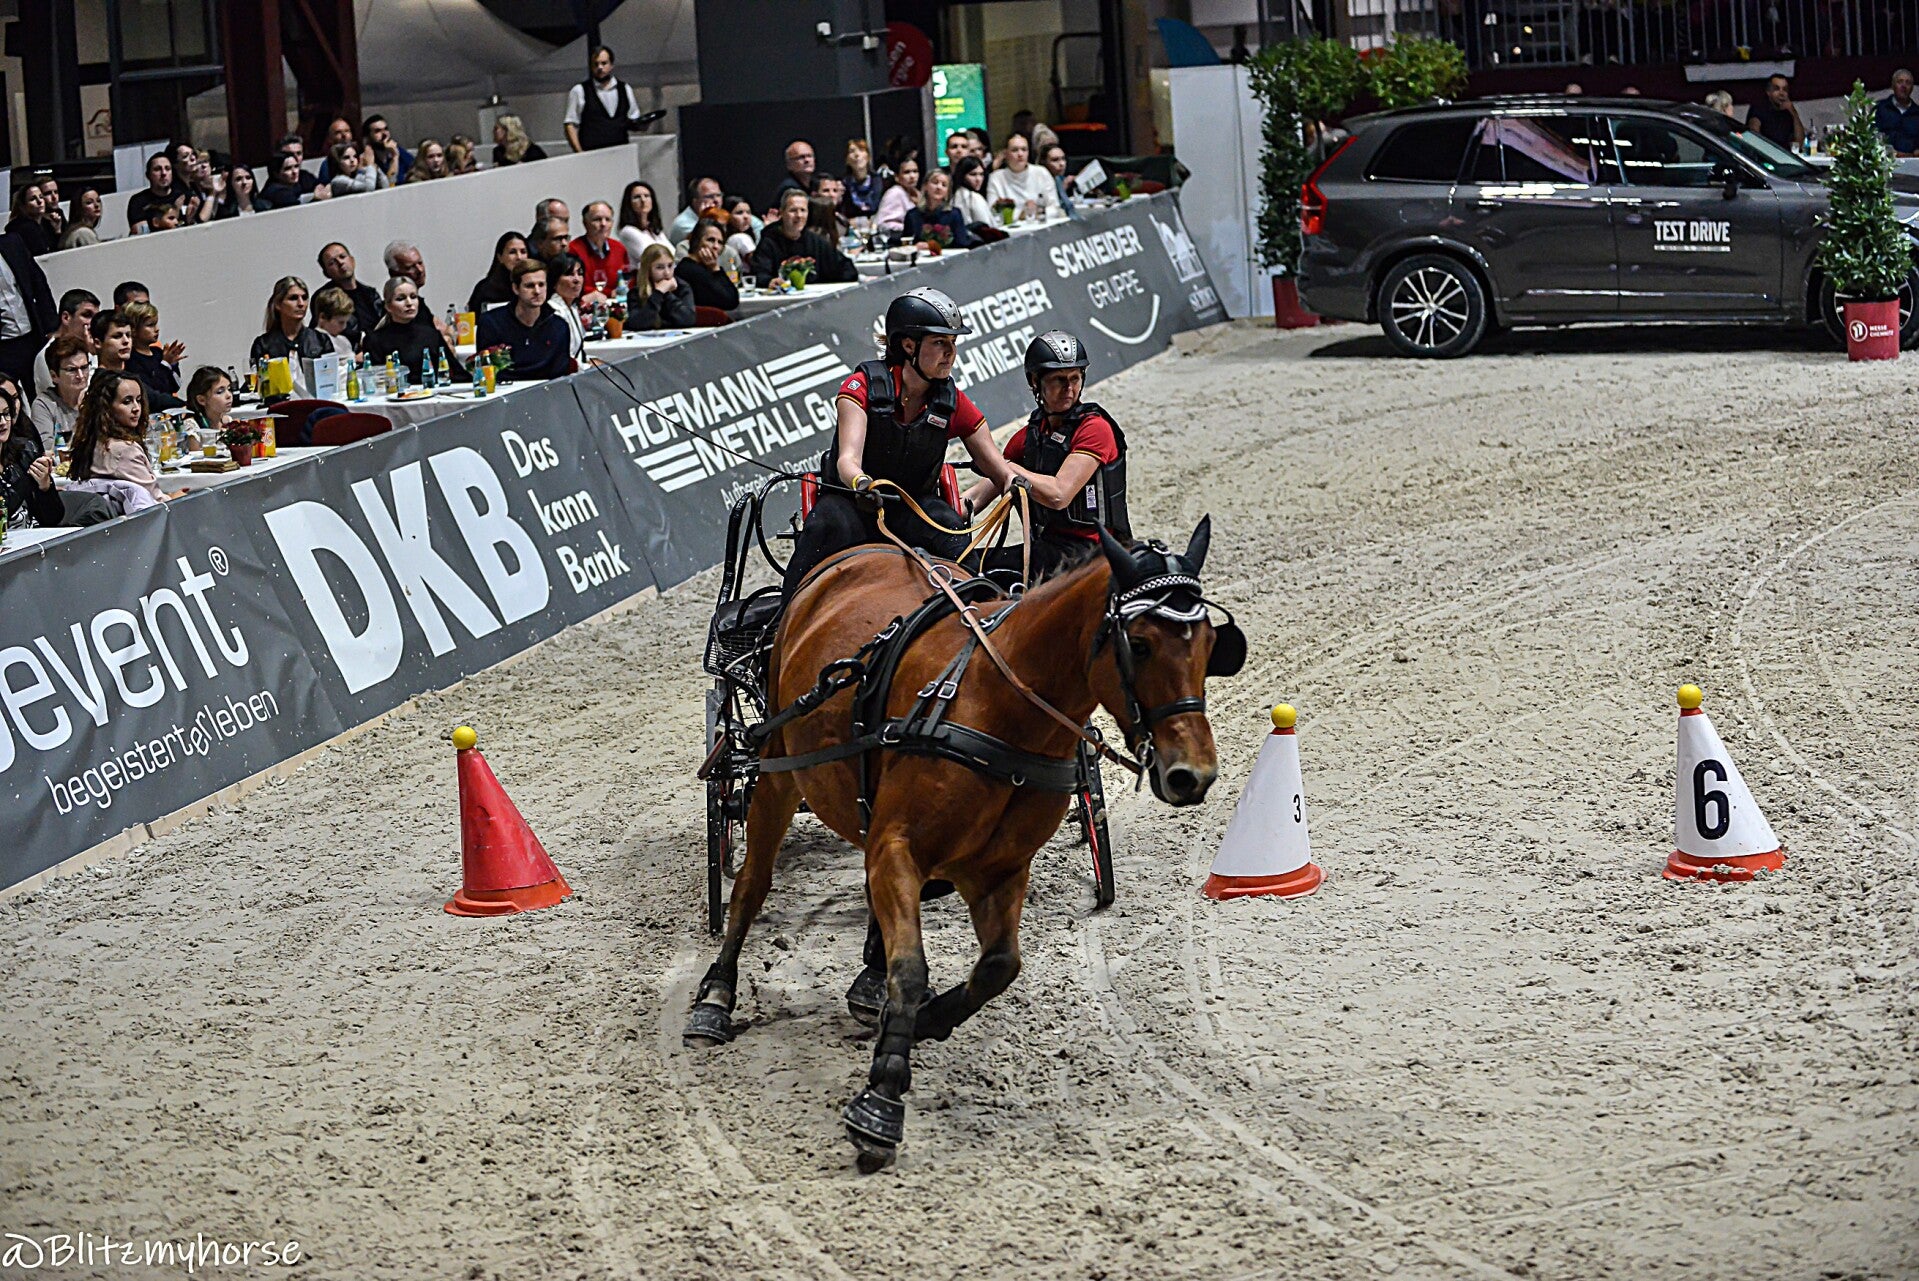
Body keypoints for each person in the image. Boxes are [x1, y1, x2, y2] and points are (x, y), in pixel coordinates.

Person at [780, 287, 1018, 597]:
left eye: (953, 342)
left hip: (915, 508)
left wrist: (1014, 482)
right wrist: (862, 483)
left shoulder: (953, 402)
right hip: (852, 504)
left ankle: (978, 612)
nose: (951, 352)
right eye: (939, 342)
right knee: (822, 530)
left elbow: (997, 468)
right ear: (908, 345)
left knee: (956, 540)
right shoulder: (861, 387)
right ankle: (783, 618)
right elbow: (847, 460)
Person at [965, 331, 1128, 581]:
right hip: (1049, 549)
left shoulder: (1095, 429)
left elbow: (1059, 494)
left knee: (977, 573)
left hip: (1093, 555)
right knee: (965, 564)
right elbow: (978, 496)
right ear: (1034, 381)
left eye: (1075, 378)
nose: (1069, 388)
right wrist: (948, 514)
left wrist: (1007, 467)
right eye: (1059, 379)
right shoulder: (1028, 438)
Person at [474, 260, 571, 380]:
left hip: (546, 388)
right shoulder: (491, 323)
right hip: (506, 388)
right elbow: (488, 369)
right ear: (515, 288)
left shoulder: (559, 326)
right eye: (529, 286)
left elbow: (560, 372)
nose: (537, 291)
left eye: (541, 285)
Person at [362, 276, 466, 383]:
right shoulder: (374, 340)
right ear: (388, 306)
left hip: (431, 392)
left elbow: (457, 373)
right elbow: (374, 380)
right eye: (400, 299)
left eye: (413, 297)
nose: (409, 303)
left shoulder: (431, 335)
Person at [749, 189, 859, 286]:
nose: (799, 215)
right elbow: (759, 274)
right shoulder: (769, 241)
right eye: (793, 210)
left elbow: (846, 268)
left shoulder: (816, 241)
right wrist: (769, 281)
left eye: (803, 210)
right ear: (781, 213)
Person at [249, 277, 335, 391]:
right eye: (293, 298)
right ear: (278, 304)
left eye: (304, 298)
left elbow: (330, 380)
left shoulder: (320, 340)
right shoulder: (263, 344)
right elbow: (259, 386)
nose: (301, 303)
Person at [0, 377, 64, 528]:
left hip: (34, 536)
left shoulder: (25, 451)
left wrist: (45, 487)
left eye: (6, 414)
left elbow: (53, 518)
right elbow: (6, 508)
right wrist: (25, 482)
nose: (2, 422)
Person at [0, 228, 56, 398]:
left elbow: (38, 282)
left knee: (43, 389)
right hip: (4, 345)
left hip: (33, 335)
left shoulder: (12, 243)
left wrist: (52, 327)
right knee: (10, 398)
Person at [565, 45, 643, 152]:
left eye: (604, 63)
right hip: (592, 155)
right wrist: (580, 154)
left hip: (621, 154)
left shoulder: (625, 89)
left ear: (611, 65)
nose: (600, 67)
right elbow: (570, 124)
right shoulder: (580, 90)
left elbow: (634, 119)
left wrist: (643, 125)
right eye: (596, 64)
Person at [32, 289, 97, 402]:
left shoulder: (91, 346)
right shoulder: (45, 355)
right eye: (87, 315)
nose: (92, 323)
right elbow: (70, 398)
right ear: (66, 317)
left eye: (95, 318)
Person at [121, 301, 185, 407]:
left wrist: (172, 365)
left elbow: (175, 387)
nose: (157, 329)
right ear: (134, 330)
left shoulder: (158, 352)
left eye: (156, 324)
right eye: (150, 325)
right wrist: (165, 364)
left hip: (169, 409)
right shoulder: (132, 359)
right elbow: (155, 390)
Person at [31, 335, 90, 450]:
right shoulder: (44, 405)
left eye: (84, 367)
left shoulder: (96, 397)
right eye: (72, 370)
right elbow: (47, 449)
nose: (80, 376)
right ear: (54, 376)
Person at [316, 242, 382, 345]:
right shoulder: (325, 297)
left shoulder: (370, 294)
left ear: (352, 261)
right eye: (332, 262)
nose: (340, 262)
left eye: (342, 257)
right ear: (326, 273)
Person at [987, 133, 1060, 220]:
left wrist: (1037, 213)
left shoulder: (1041, 172)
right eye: (1015, 150)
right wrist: (1021, 215)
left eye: (1024, 149)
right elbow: (993, 213)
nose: (1020, 154)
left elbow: (1055, 207)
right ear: (1005, 153)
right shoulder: (996, 178)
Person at [571, 201, 630, 303]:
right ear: (585, 223)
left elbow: (628, 278)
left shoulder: (619, 248)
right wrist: (608, 293)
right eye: (597, 219)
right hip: (586, 305)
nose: (603, 224)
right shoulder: (573, 249)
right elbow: (572, 284)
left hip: (616, 304)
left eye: (608, 219)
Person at [627, 243, 695, 331]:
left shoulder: (682, 287)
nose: (667, 272)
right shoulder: (637, 292)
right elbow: (636, 323)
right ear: (648, 270)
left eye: (670, 266)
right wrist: (658, 293)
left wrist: (667, 294)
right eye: (660, 267)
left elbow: (688, 320)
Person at [675, 221, 740, 312]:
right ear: (696, 241)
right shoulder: (691, 270)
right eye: (711, 240)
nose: (716, 246)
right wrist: (716, 269)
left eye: (720, 242)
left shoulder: (703, 267)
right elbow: (730, 301)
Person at [904, 169, 976, 249]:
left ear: (947, 192)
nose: (939, 187)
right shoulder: (912, 215)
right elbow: (906, 243)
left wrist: (931, 246)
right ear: (925, 186)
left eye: (944, 185)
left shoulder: (954, 214)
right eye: (935, 183)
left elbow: (961, 243)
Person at [467, 231, 531, 314]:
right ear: (500, 257)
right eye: (512, 252)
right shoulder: (485, 288)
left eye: (523, 252)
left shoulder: (536, 285)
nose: (519, 257)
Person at [545, 253, 588, 363]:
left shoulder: (572, 308)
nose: (577, 279)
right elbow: (562, 357)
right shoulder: (553, 312)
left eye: (580, 273)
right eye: (569, 274)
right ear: (554, 282)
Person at [1747, 74, 1805, 151]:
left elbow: (1799, 143)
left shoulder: (1788, 112)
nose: (1781, 93)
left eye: (1785, 89)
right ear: (1768, 92)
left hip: (1785, 154)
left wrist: (1794, 113)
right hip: (1766, 154)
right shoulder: (1759, 108)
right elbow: (1754, 137)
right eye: (1777, 89)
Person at [125, 153, 180, 233]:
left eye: (167, 169)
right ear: (148, 175)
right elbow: (138, 231)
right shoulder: (138, 201)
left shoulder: (181, 196)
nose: (163, 173)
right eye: (157, 169)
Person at [615, 183, 669, 261]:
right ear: (629, 203)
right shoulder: (627, 231)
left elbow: (673, 254)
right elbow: (652, 258)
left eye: (646, 196)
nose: (643, 200)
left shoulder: (655, 230)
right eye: (637, 197)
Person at [1876, 68, 1919, 157]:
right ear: (1893, 86)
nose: (1904, 86)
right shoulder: (1880, 108)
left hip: (1913, 161)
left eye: (1908, 83)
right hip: (1886, 160)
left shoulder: (1917, 113)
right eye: (1900, 82)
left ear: (1912, 88)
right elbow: (1873, 136)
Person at [669, 177, 724, 242]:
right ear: (695, 201)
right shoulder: (683, 224)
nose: (716, 200)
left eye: (719, 195)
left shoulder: (718, 217)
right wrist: (704, 217)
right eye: (709, 196)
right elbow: (703, 244)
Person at [363, 115, 413, 185]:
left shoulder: (398, 151)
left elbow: (416, 170)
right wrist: (395, 157)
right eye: (377, 131)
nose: (384, 134)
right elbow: (390, 185)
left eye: (386, 129)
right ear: (368, 137)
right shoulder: (367, 159)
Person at [310, 287, 359, 358]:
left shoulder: (343, 341)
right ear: (323, 317)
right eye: (341, 322)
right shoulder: (314, 342)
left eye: (346, 322)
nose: (344, 327)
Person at [7, 184, 54, 257]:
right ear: (23, 206)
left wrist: (57, 229)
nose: (39, 201)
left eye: (41, 197)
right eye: (33, 199)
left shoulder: (47, 222)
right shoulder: (26, 228)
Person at [875, 156, 919, 232]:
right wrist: (909, 228)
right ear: (897, 177)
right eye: (907, 172)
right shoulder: (895, 193)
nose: (912, 176)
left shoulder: (917, 193)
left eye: (915, 171)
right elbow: (883, 223)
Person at [950, 155, 994, 229]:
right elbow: (987, 227)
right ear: (962, 175)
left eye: (981, 174)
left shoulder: (955, 196)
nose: (978, 179)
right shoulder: (974, 197)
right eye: (973, 174)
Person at [843, 140, 883, 220]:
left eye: (861, 150)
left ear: (868, 157)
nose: (857, 155)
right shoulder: (843, 185)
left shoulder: (881, 183)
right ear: (847, 160)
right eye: (852, 151)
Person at [90, 309, 133, 377]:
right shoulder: (102, 380)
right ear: (98, 343)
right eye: (117, 336)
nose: (126, 341)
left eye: (128, 335)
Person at [1040, 142, 1078, 219]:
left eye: (1063, 159)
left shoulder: (1058, 179)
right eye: (1055, 160)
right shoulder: (1040, 182)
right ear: (1044, 162)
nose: (1062, 164)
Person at [775, 139, 817, 204]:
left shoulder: (815, 184)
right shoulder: (789, 188)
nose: (807, 160)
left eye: (809, 156)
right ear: (789, 164)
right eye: (801, 157)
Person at [723, 195, 761, 263]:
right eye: (739, 213)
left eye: (748, 212)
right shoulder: (741, 237)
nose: (746, 216)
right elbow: (758, 263)